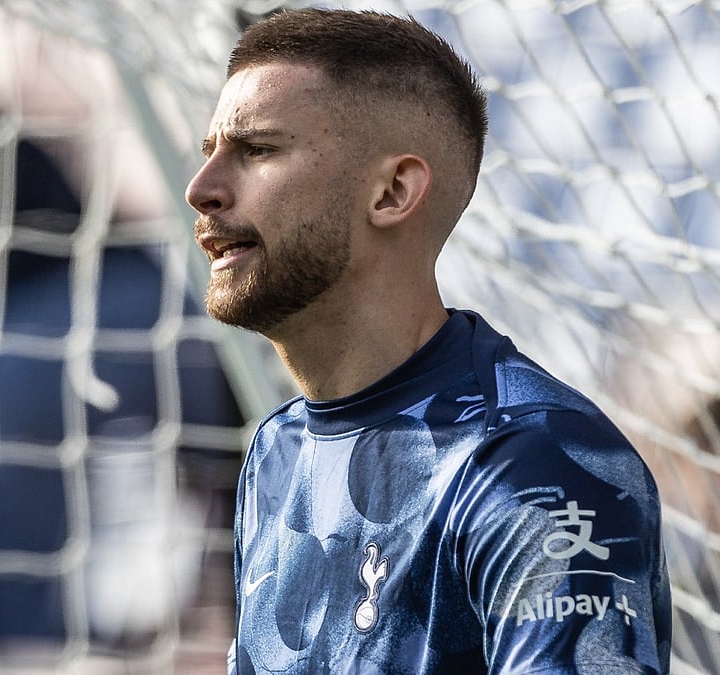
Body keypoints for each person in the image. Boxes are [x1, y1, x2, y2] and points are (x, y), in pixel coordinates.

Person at [183, 8, 672, 674]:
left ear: (393, 191)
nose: (201, 189)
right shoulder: (277, 449)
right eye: (209, 153)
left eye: (257, 150)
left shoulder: (532, 467)